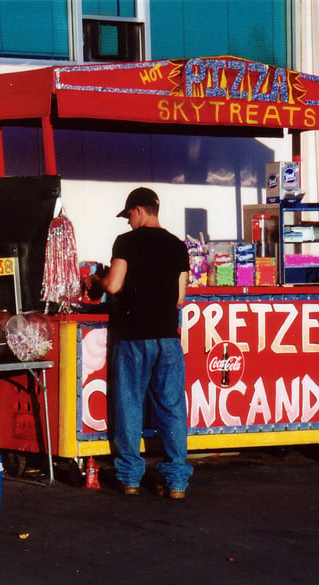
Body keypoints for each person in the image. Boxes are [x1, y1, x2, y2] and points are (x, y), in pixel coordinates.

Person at [92, 187, 192, 499]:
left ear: (138, 211)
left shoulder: (127, 242)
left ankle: (130, 479)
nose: (129, 223)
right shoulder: (178, 245)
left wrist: (99, 281)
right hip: (167, 336)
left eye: (129, 217)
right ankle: (176, 482)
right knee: (172, 408)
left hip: (133, 335)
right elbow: (179, 298)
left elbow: (116, 284)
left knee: (129, 405)